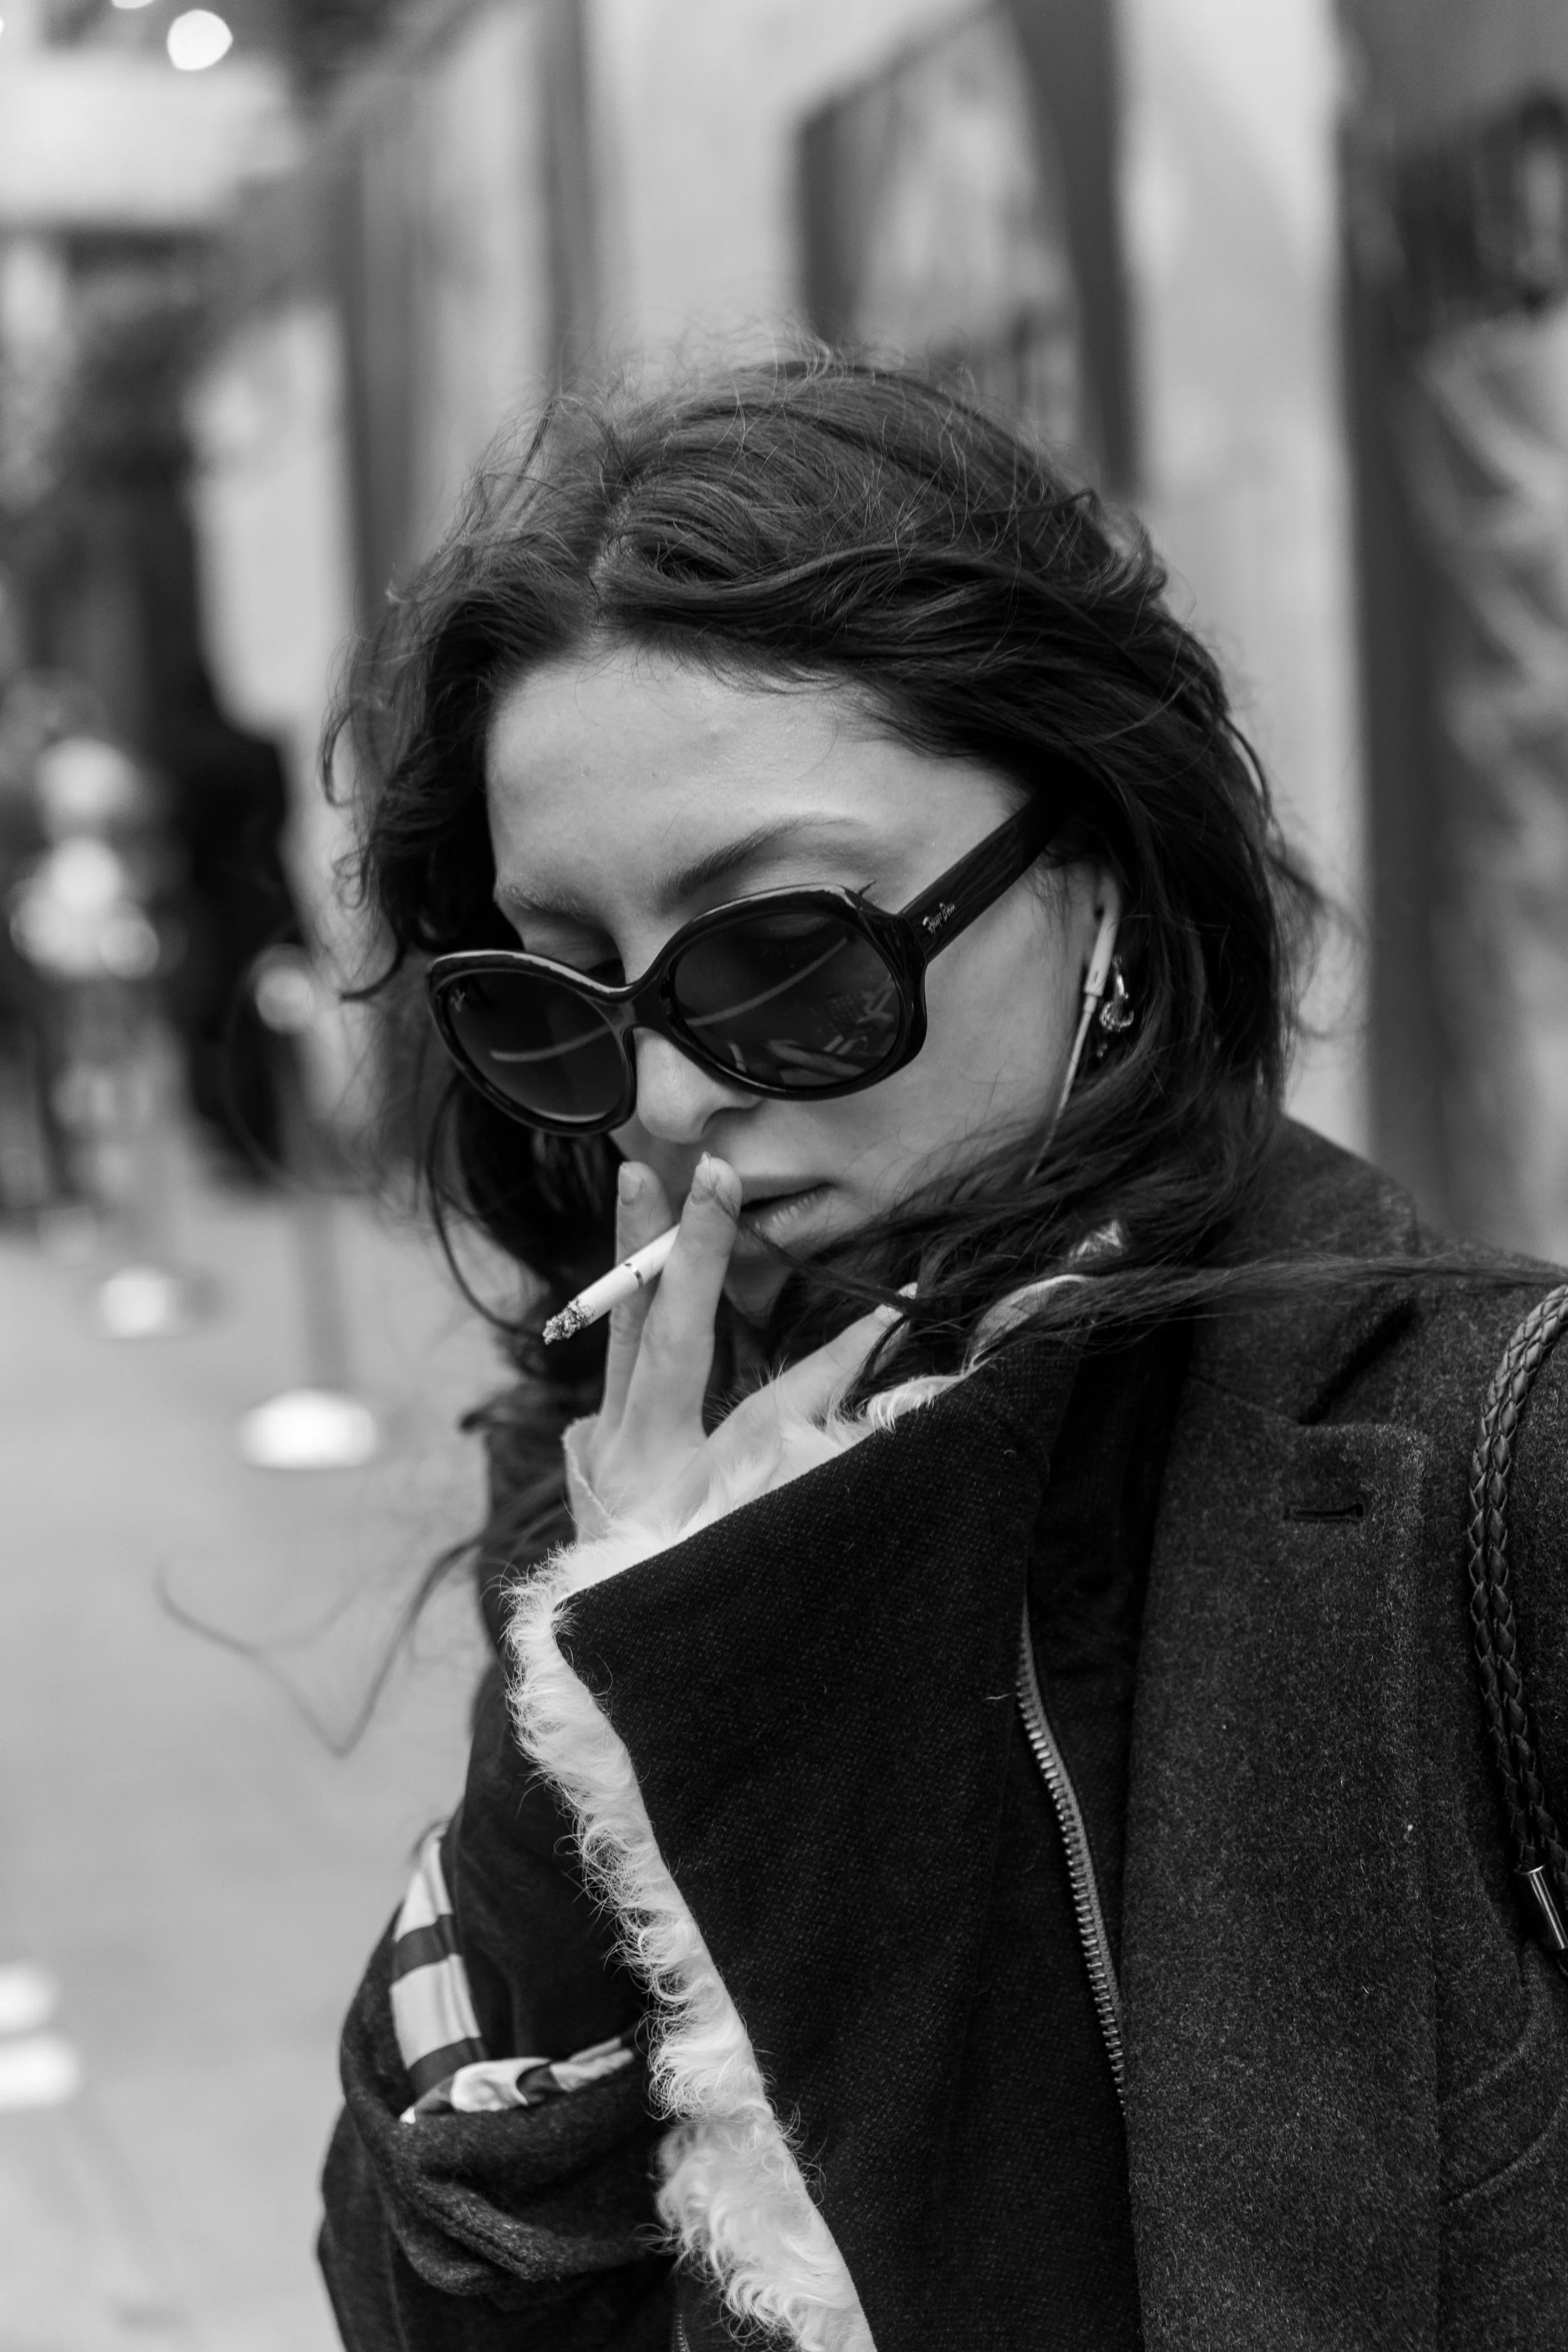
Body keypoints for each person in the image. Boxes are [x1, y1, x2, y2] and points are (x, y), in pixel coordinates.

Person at [317, 359, 1568, 2352]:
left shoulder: (1483, 1457)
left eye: (785, 951)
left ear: (1096, 878)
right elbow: (432, 2303)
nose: (656, 1095)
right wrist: (603, 1681)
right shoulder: (628, 1469)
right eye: (558, 984)